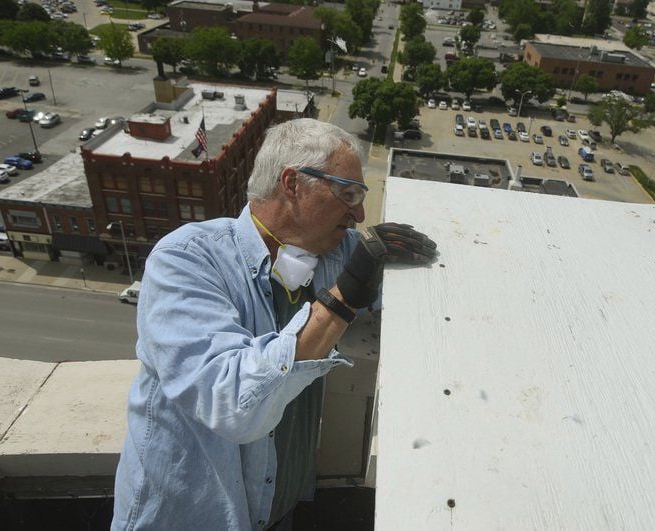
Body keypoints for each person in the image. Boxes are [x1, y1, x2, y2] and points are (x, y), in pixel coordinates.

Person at [111, 119, 437, 530]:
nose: (359, 212)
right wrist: (342, 299)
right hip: (190, 518)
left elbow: (387, 273)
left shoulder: (334, 250)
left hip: (277, 511)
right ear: (293, 183)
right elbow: (233, 405)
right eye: (348, 193)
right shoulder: (187, 260)